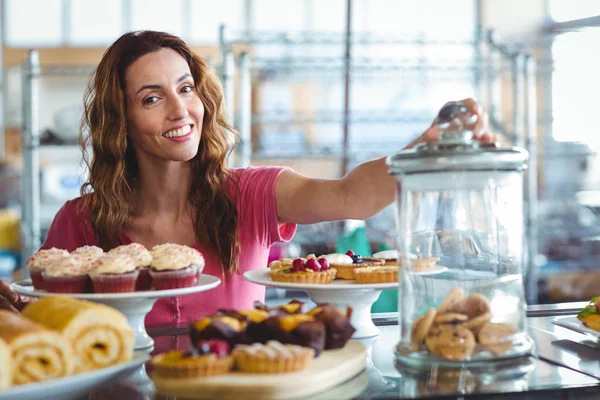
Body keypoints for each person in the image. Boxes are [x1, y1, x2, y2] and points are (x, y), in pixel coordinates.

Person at [0, 31, 495, 323]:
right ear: (121, 120)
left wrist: (430, 145)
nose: (180, 111)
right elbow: (49, 322)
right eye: (152, 98)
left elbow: (353, 195)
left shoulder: (252, 194)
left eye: (185, 88)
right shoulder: (81, 222)